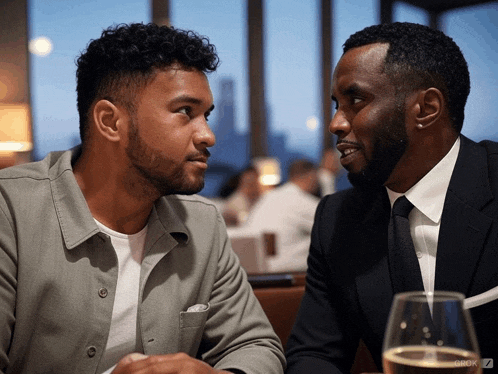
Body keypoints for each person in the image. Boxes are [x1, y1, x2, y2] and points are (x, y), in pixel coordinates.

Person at [0, 23, 285, 374]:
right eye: (185, 111)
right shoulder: (10, 210)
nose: (208, 135)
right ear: (110, 121)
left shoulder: (202, 224)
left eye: (207, 115)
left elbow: (255, 344)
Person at [285, 22, 498, 373]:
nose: (335, 123)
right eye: (337, 104)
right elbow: (314, 354)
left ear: (426, 108)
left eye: (355, 100)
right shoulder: (337, 218)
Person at [245, 159, 320, 272]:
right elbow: (337, 230)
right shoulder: (302, 202)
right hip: (288, 276)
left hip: (256, 272)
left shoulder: (268, 197)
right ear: (312, 176)